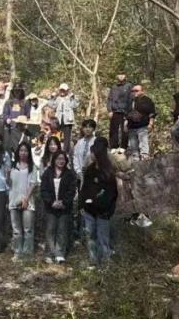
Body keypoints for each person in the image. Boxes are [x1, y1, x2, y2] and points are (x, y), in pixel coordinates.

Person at [80, 137, 118, 266]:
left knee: (103, 238)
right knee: (90, 237)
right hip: (89, 211)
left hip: (103, 211)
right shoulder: (89, 170)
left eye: (93, 152)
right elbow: (85, 189)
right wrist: (83, 204)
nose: (91, 155)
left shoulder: (108, 171)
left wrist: (107, 209)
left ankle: (105, 263)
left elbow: (112, 193)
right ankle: (93, 261)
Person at [40, 150, 76, 264]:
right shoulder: (47, 172)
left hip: (64, 207)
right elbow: (43, 189)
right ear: (54, 160)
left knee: (62, 230)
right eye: (59, 159)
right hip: (50, 207)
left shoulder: (69, 174)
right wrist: (51, 202)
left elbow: (72, 190)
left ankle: (59, 254)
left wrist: (63, 202)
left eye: (63, 159)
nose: (61, 161)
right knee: (50, 230)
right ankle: (49, 253)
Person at [8, 142, 39, 259]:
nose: (23, 153)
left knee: (28, 229)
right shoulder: (13, 165)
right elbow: (9, 184)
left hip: (28, 201)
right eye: (21, 150)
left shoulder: (32, 167)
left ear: (29, 152)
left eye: (26, 150)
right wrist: (7, 176)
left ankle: (27, 254)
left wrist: (26, 199)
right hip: (13, 200)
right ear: (18, 152)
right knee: (16, 230)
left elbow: (33, 184)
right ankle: (17, 252)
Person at [125, 84, 157, 161]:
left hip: (143, 125)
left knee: (143, 143)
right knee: (133, 145)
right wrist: (125, 124)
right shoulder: (130, 101)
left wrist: (151, 123)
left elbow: (152, 113)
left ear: (142, 91)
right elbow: (126, 114)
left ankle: (145, 158)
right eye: (133, 91)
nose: (134, 92)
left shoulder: (147, 100)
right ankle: (135, 159)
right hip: (131, 126)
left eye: (136, 90)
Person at [49, 83, 79, 153]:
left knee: (67, 138)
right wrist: (52, 98)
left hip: (68, 121)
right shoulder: (57, 98)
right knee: (57, 135)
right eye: (61, 90)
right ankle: (56, 150)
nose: (62, 92)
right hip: (58, 120)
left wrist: (73, 98)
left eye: (64, 90)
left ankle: (66, 152)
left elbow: (74, 105)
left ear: (67, 90)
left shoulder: (70, 98)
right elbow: (51, 105)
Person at [106, 73, 132, 151]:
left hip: (125, 111)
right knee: (113, 129)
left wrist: (129, 112)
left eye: (123, 74)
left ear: (125, 76)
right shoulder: (114, 87)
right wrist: (109, 110)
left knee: (125, 129)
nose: (121, 76)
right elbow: (109, 99)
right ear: (117, 76)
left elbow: (131, 99)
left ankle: (124, 146)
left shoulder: (129, 86)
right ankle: (113, 146)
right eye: (119, 74)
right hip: (115, 111)